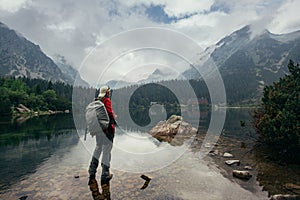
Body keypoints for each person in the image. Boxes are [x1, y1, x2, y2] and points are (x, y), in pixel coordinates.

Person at [88, 85, 116, 186]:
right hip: (107, 131)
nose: (109, 92)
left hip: (98, 130)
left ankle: (92, 170)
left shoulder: (96, 100)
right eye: (109, 91)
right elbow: (109, 114)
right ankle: (105, 174)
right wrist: (114, 117)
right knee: (106, 151)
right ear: (107, 93)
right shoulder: (107, 100)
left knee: (98, 148)